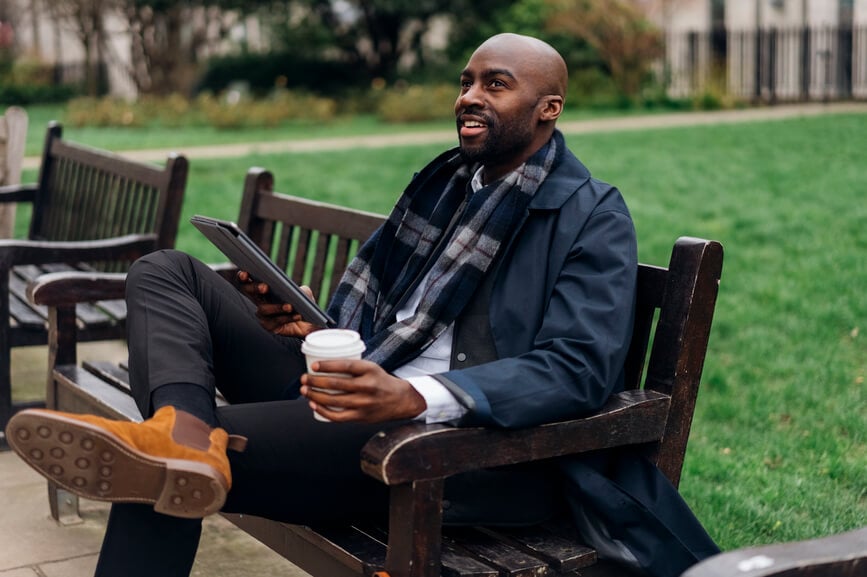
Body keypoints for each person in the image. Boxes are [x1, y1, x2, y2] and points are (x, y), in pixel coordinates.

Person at [6, 33, 718, 577]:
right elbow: (399, 321)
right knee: (166, 271)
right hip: (358, 388)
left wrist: (412, 396)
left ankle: (183, 446)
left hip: (458, 448)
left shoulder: (587, 214)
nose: (469, 95)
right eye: (465, 81)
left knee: (153, 478)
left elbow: (577, 367)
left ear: (546, 109)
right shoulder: (445, 189)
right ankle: (183, 432)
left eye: (494, 85)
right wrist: (304, 323)